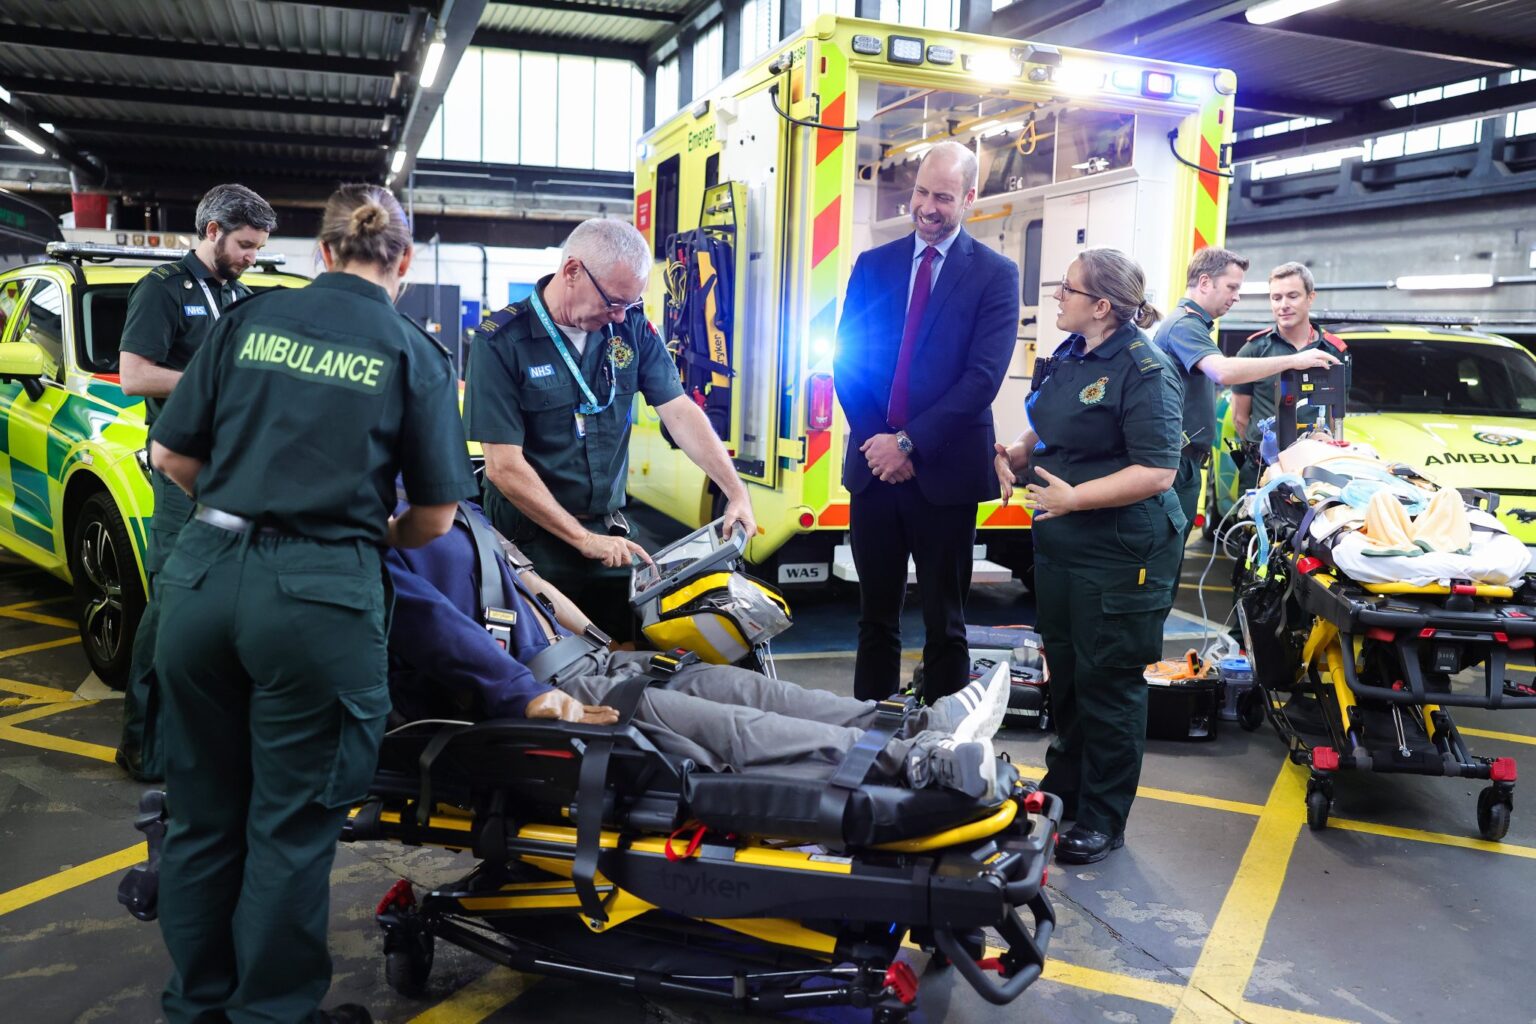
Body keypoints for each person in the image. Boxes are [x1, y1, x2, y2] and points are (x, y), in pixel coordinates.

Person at [147, 184, 478, 1024]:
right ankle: (269, 1015)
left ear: (321, 253)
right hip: (317, 600)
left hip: (202, 580)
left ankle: (196, 1007)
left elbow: (170, 456)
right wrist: (363, 537)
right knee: (288, 829)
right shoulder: (413, 352)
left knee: (201, 817)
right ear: (401, 263)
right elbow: (435, 518)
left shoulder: (245, 323)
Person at [386, 500, 1012, 798]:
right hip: (551, 691)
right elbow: (445, 636)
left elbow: (532, 580)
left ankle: (924, 722)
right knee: (733, 727)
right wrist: (535, 700)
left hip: (587, 661)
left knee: (749, 688)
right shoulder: (379, 543)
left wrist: (611, 646)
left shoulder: (448, 502)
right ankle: (920, 762)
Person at [465, 219, 755, 642]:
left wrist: (736, 492)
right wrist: (582, 539)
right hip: (530, 545)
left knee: (625, 656)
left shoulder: (629, 327)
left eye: (629, 303)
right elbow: (503, 467)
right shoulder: (501, 342)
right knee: (550, 666)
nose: (619, 314)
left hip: (612, 537)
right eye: (613, 302)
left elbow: (679, 411)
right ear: (572, 272)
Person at [992, 249, 1183, 865]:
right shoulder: (1073, 355)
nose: (1056, 298)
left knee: (1111, 684)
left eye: (1067, 290)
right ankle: (1065, 787)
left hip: (1120, 551)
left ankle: (1104, 816)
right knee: (1070, 675)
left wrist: (1076, 497)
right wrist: (1020, 452)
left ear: (1102, 306)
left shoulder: (1144, 369)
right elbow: (1049, 425)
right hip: (1064, 545)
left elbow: (1157, 471)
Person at [833, 140, 1021, 703]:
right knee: (875, 621)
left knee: (946, 626)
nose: (928, 207)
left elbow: (981, 379)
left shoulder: (995, 274)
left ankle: (941, 747)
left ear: (969, 198)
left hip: (944, 478)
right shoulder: (874, 265)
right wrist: (878, 446)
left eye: (943, 196)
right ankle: (869, 737)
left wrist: (908, 445)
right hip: (874, 473)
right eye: (921, 192)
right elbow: (849, 360)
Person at [115, 183, 277, 782]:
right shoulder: (161, 290)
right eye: (244, 245)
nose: (251, 257)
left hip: (236, 472)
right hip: (182, 475)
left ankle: (199, 742)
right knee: (170, 615)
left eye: (258, 248)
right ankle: (142, 746)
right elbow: (134, 376)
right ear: (211, 231)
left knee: (224, 613)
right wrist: (213, 382)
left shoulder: (240, 296)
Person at [1153, 247, 1341, 542]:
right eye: (1232, 287)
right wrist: (1294, 361)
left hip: (1190, 463)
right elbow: (1224, 373)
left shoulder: (1194, 326)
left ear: (1310, 298)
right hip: (1184, 462)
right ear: (1205, 282)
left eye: (1292, 296)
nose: (1237, 296)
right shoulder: (1184, 326)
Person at [1231, 261, 1348, 494]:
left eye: (1292, 296)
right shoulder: (1253, 350)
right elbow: (1240, 419)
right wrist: (1268, 451)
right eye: (1276, 298)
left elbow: (1338, 415)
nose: (1283, 305)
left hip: (1316, 469)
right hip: (1261, 470)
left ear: (1310, 297)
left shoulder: (1334, 351)